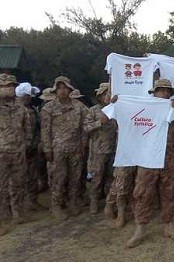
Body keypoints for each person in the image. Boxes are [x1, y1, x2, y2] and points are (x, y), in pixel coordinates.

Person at [125, 79, 174, 248]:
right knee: (143, 192)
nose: (164, 93)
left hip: (168, 157)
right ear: (154, 92)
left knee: (169, 191)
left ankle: (168, 224)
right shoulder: (144, 108)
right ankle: (140, 228)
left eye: (167, 91)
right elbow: (132, 124)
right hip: (147, 157)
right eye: (161, 90)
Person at [41, 76, 88, 220]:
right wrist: (47, 149)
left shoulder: (79, 106)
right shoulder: (48, 108)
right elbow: (45, 131)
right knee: (58, 179)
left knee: (75, 177)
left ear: (70, 89)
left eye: (65, 87)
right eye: (59, 88)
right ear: (55, 90)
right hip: (57, 150)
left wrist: (84, 144)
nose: (62, 90)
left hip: (76, 149)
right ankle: (56, 205)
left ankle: (73, 202)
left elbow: (87, 123)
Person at [0, 73, 32, 235]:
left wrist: (26, 144)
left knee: (19, 183)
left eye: (10, 86)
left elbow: (27, 128)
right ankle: (2, 219)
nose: (7, 89)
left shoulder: (20, 107)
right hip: (1, 153)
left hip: (18, 152)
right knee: (1, 187)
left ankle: (18, 213)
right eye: (4, 86)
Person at [83, 83, 117, 214]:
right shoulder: (93, 110)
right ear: (100, 96)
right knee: (97, 178)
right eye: (105, 94)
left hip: (113, 149)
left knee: (110, 177)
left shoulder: (116, 109)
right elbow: (86, 128)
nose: (107, 97)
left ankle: (110, 202)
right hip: (98, 151)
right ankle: (94, 201)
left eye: (109, 93)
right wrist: (99, 123)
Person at [15, 83, 47, 210]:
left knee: (32, 176)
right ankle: (18, 205)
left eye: (29, 96)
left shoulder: (33, 110)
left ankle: (32, 201)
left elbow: (39, 129)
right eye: (26, 95)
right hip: (17, 150)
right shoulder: (15, 111)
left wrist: (39, 143)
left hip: (32, 149)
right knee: (17, 178)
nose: (28, 98)